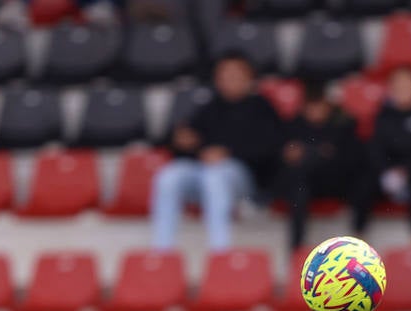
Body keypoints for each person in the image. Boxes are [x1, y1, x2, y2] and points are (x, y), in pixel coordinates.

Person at [151, 52, 282, 251]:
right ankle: (162, 250)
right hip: (204, 173)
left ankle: (219, 252)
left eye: (235, 73)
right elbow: (187, 142)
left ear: (249, 77)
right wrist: (182, 142)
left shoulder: (261, 107)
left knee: (216, 175)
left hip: (246, 181)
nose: (229, 79)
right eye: (224, 74)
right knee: (168, 176)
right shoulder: (210, 107)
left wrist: (229, 152)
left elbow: (271, 148)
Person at [354, 65, 411, 237]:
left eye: (407, 86)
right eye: (398, 86)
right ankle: (358, 234)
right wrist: (387, 171)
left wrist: (407, 172)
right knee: (363, 182)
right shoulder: (383, 114)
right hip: (387, 173)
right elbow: (375, 148)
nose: (402, 91)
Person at [275, 81, 362, 253]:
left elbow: (348, 159)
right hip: (306, 185)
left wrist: (309, 152)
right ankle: (297, 248)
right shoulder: (294, 125)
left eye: (319, 106)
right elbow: (283, 156)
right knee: (297, 182)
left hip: (336, 183)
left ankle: (357, 237)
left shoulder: (342, 125)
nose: (315, 112)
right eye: (310, 107)